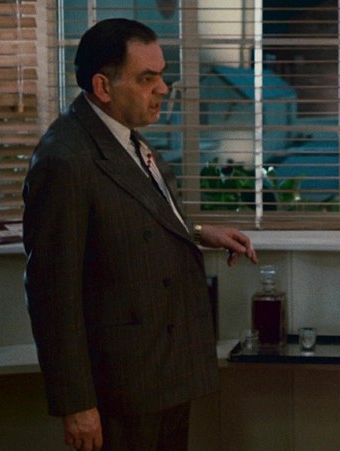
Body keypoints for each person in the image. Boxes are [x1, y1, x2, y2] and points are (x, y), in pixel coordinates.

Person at [23, 18, 258, 451]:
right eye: (147, 79)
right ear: (103, 86)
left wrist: (197, 231)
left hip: (162, 373)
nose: (163, 89)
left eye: (162, 75)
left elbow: (125, 218)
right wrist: (76, 404)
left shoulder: (124, 137)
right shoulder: (65, 160)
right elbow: (51, 294)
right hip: (120, 388)